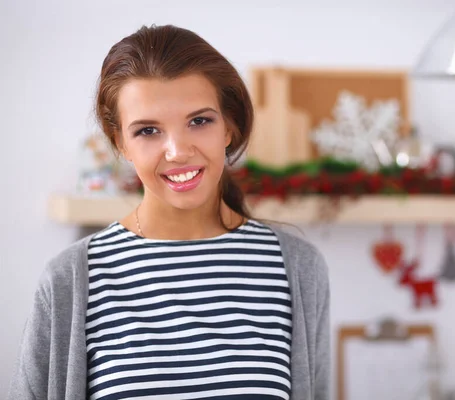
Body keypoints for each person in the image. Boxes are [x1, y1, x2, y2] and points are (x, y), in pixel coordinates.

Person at [8, 24, 330, 400]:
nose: (177, 150)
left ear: (228, 127)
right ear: (121, 144)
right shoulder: (70, 281)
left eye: (199, 121)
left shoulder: (297, 269)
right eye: (147, 130)